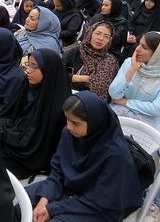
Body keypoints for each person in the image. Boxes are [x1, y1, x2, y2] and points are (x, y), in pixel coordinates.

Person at [26, 92, 143, 222]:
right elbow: (58, 171)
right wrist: (45, 198)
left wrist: (52, 209)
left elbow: (100, 200)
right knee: (22, 204)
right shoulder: (69, 134)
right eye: (67, 119)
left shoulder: (116, 154)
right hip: (70, 188)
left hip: (100, 207)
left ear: (94, 122)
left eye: (75, 123)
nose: (69, 127)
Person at [0, 49, 71, 179]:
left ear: (48, 70)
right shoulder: (29, 87)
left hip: (28, 158)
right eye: (28, 64)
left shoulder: (57, 106)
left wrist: (0, 133)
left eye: (34, 67)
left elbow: (33, 143)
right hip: (13, 141)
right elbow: (14, 117)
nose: (28, 70)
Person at [109, 31, 160, 130]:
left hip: (147, 125)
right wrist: (132, 70)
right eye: (139, 44)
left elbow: (156, 108)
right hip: (119, 113)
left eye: (144, 47)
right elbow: (114, 93)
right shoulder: (130, 63)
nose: (137, 49)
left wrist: (126, 102)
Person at [63, 22, 119, 102]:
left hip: (93, 102)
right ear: (90, 33)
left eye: (106, 37)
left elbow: (105, 88)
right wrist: (82, 78)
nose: (101, 38)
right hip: (68, 96)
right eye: (98, 33)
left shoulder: (110, 61)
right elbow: (58, 75)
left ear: (109, 40)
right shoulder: (74, 52)